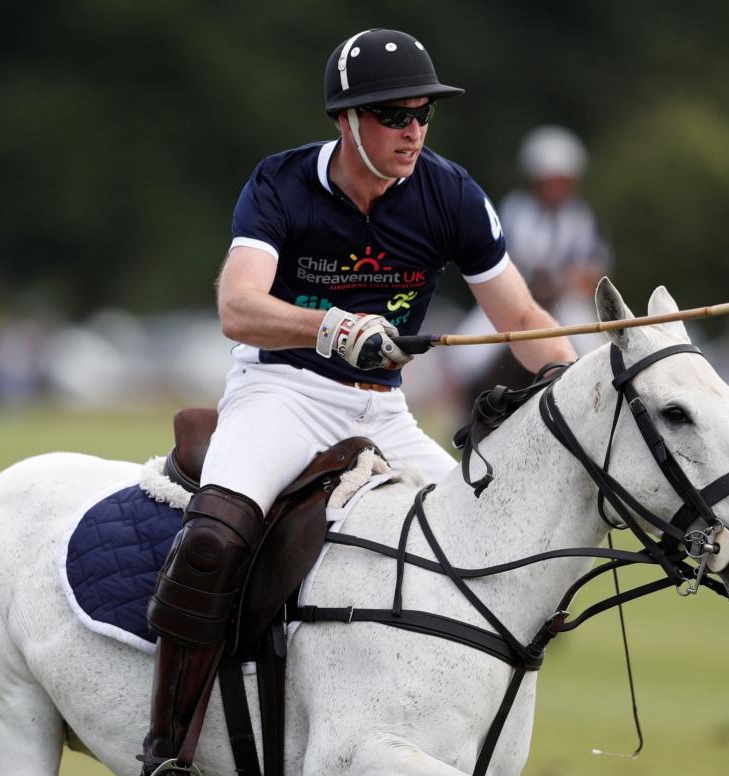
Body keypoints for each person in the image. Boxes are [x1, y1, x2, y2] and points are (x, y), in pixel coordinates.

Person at [139, 28, 577, 775]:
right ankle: (167, 747)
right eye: (394, 116)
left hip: (381, 411)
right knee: (214, 539)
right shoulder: (280, 185)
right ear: (347, 120)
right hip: (282, 392)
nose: (413, 131)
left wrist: (576, 391)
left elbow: (523, 319)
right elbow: (238, 308)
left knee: (484, 551)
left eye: (423, 115)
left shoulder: (449, 193)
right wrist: (332, 327)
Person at [445, 125, 612, 401]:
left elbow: (593, 271)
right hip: (512, 298)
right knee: (463, 357)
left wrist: (568, 280)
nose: (556, 188)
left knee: (599, 357)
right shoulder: (515, 209)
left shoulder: (582, 217)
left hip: (563, 303)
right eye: (550, 180)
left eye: (562, 180)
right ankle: (461, 412)